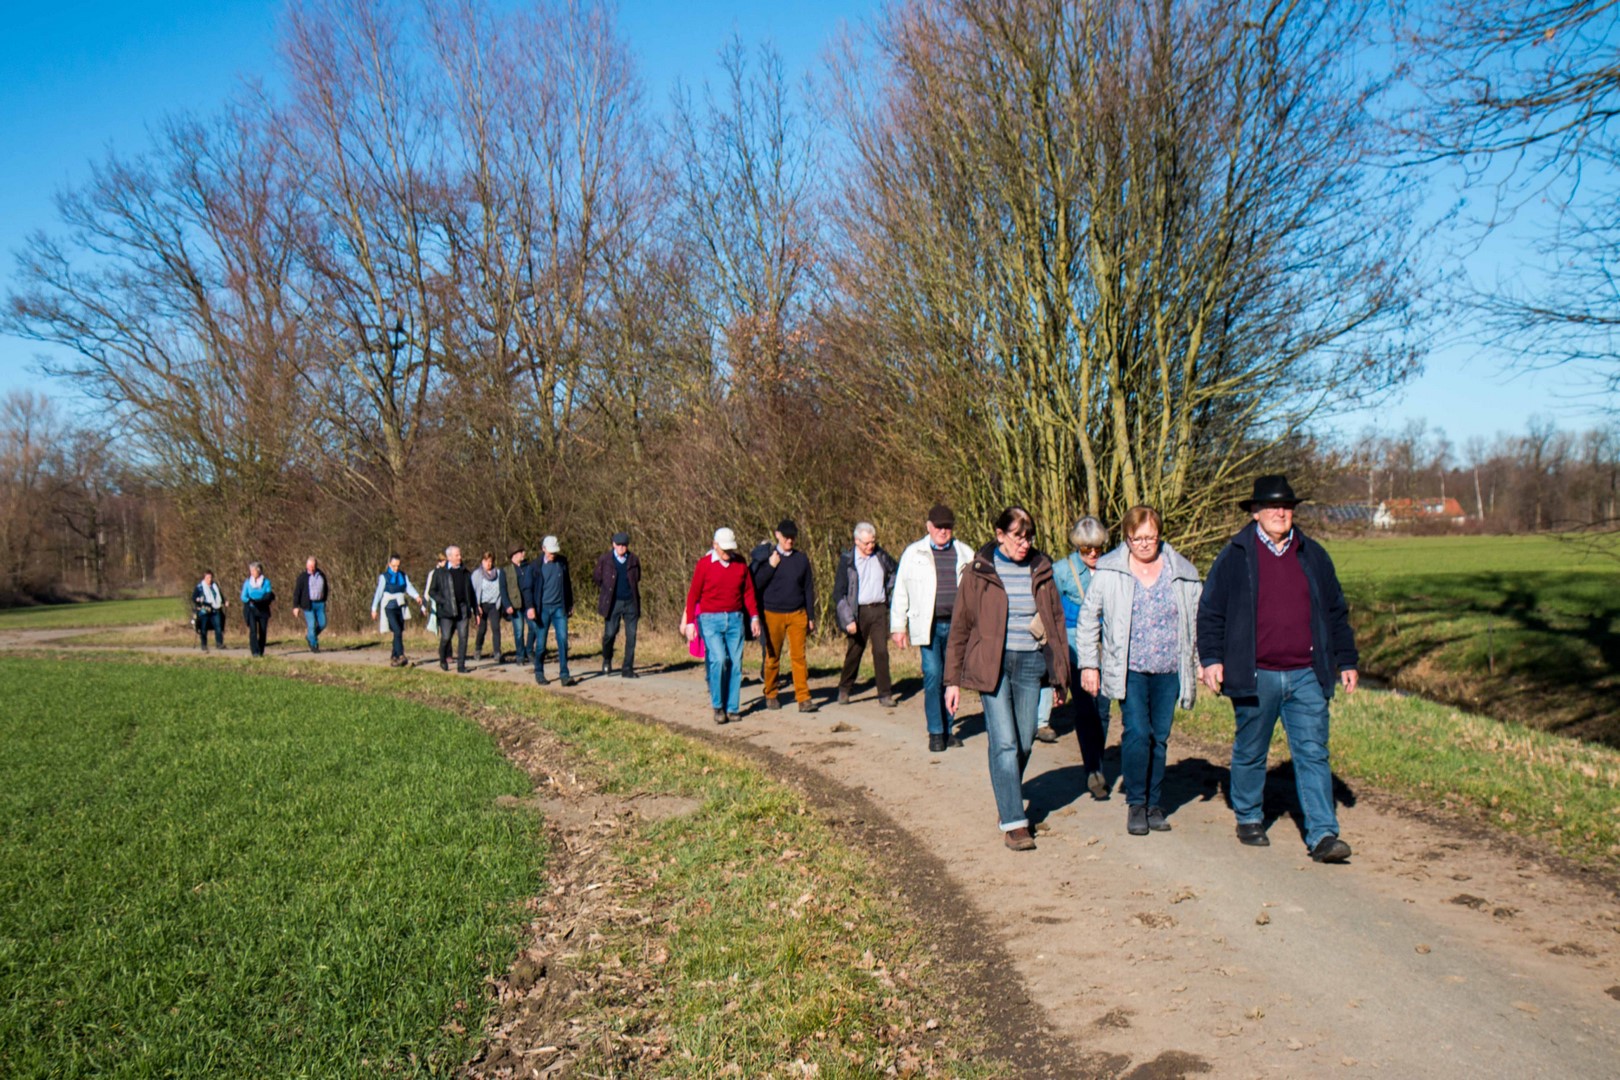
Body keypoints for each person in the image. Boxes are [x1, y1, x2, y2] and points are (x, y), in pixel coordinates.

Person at [1197, 474, 1360, 864]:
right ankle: (1250, 815)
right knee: (1252, 750)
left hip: (1307, 672)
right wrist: (1211, 659)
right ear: (1255, 513)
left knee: (1312, 752)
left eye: (1285, 507)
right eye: (1271, 506)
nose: (1279, 512)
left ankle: (1322, 834)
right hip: (1256, 673)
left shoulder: (1313, 554)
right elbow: (1211, 610)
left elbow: (1335, 611)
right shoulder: (1235, 555)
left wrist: (1347, 660)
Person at [944, 507, 1070, 851]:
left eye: (1029, 537)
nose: (1025, 544)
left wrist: (1060, 677)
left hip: (1031, 663)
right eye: (1018, 536)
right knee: (1004, 743)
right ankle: (1014, 822)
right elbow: (961, 625)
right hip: (992, 666)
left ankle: (1006, 784)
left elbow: (1056, 623)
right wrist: (951, 680)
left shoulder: (1041, 568)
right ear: (1000, 535)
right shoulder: (979, 571)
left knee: (1025, 740)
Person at [1078, 506, 1203, 837]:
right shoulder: (1110, 571)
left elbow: (1196, 623)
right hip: (1128, 667)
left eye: (1151, 537)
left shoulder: (1182, 572)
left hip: (1168, 669)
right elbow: (1089, 618)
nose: (1145, 544)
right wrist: (1090, 664)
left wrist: (1202, 663)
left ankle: (1154, 804)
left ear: (1159, 535)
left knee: (1159, 737)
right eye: (1137, 538)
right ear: (1127, 537)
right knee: (1137, 732)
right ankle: (1136, 803)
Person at [890, 504, 974, 752]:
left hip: (958, 627)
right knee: (933, 675)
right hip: (927, 626)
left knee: (952, 679)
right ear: (928, 527)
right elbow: (901, 591)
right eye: (938, 527)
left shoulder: (965, 553)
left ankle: (949, 730)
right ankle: (936, 732)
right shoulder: (913, 553)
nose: (943, 531)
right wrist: (898, 627)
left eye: (947, 527)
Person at [1046, 517, 1113, 796]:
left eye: (1097, 548)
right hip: (1075, 650)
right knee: (1086, 709)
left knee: (1104, 710)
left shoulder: (1112, 568)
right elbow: (1051, 613)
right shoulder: (1062, 571)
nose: (1093, 554)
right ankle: (1093, 770)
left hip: (1107, 650)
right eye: (1087, 550)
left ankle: (1097, 758)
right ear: (1077, 547)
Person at [684, 527, 760, 724]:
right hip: (709, 619)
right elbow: (693, 594)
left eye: (730, 550)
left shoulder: (740, 563)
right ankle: (718, 706)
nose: (727, 554)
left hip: (735, 618)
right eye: (724, 549)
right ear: (715, 545)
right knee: (718, 659)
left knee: (735, 664)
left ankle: (732, 708)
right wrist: (690, 622)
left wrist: (754, 617)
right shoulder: (704, 565)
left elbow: (748, 592)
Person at [751, 518, 818, 712]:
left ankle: (803, 698)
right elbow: (756, 584)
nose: (790, 540)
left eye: (793, 537)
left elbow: (808, 589)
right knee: (773, 657)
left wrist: (811, 617)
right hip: (772, 614)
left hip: (798, 614)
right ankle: (771, 693)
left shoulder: (801, 559)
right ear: (777, 535)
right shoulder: (767, 558)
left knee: (799, 657)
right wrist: (771, 566)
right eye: (786, 536)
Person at [832, 522, 898, 707]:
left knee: (881, 651)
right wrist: (848, 620)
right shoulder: (847, 561)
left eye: (873, 542)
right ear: (856, 541)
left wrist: (888, 593)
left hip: (878, 609)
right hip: (857, 612)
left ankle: (885, 693)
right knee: (855, 651)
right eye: (866, 543)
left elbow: (895, 572)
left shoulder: (881, 555)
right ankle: (844, 688)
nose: (870, 546)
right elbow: (839, 594)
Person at [527, 535, 577, 686]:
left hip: (559, 609)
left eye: (555, 552)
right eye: (550, 552)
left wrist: (569, 604)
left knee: (562, 640)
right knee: (541, 643)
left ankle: (564, 674)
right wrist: (530, 607)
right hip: (542, 609)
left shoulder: (562, 563)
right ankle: (539, 672)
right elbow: (527, 589)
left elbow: (567, 585)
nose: (553, 555)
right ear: (543, 549)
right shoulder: (535, 566)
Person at [594, 532, 641, 677]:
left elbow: (638, 577)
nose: (621, 548)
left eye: (624, 545)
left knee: (631, 636)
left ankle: (627, 668)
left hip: (631, 602)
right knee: (610, 633)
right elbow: (597, 578)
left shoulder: (633, 559)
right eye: (619, 545)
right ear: (613, 544)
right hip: (612, 603)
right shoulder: (605, 559)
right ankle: (607, 658)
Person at [428, 545, 477, 673]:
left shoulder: (466, 572)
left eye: (460, 555)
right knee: (446, 637)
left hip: (462, 609)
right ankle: (443, 658)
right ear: (449, 557)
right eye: (457, 555)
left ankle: (461, 665)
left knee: (463, 637)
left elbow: (471, 592)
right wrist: (443, 601)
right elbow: (432, 591)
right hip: (447, 611)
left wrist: (475, 609)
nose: (460, 557)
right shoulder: (440, 573)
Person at [370, 554, 424, 666]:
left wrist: (416, 596)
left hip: (400, 606)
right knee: (397, 630)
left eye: (398, 566)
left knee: (398, 631)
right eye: (394, 566)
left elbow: (408, 587)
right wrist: (374, 608)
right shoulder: (384, 577)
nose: (396, 568)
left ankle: (393, 657)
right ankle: (401, 655)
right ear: (389, 564)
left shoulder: (403, 576)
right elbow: (379, 593)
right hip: (389, 608)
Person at [472, 552, 511, 662]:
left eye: (490, 561)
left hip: (495, 604)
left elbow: (503, 587)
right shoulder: (477, 574)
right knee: (482, 629)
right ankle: (478, 649)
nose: (488, 564)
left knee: (496, 628)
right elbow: (473, 591)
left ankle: (497, 652)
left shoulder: (498, 573)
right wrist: (476, 606)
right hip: (482, 605)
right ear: (482, 562)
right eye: (486, 561)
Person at [291, 556, 331, 654]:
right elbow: (297, 592)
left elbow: (326, 588)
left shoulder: (321, 575)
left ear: (316, 566)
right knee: (312, 625)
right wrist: (295, 606)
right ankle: (314, 644)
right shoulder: (302, 577)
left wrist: (324, 599)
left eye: (313, 566)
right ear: (306, 566)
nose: (311, 568)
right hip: (308, 604)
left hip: (320, 603)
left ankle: (310, 636)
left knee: (323, 623)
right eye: (310, 566)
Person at [240, 561, 274, 657]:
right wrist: (249, 600)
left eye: (253, 571)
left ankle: (261, 649)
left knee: (263, 631)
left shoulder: (266, 582)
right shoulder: (247, 583)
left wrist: (262, 600)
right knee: (253, 630)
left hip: (263, 608)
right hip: (252, 608)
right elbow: (243, 596)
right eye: (251, 571)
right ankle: (254, 651)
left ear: (259, 571)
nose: (252, 573)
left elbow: (268, 594)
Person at [504, 547, 531, 664]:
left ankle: (529, 650)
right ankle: (520, 655)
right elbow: (503, 589)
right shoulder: (506, 570)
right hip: (515, 605)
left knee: (534, 628)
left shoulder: (528, 567)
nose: (523, 554)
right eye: (521, 552)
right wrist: (507, 605)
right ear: (514, 555)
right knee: (519, 631)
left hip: (528, 604)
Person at [192, 570, 225, 651]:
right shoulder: (199, 587)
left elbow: (220, 595)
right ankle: (204, 644)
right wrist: (198, 600)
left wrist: (224, 601)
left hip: (215, 609)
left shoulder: (215, 586)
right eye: (207, 578)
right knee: (203, 628)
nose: (209, 579)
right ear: (204, 578)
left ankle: (219, 643)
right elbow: (193, 597)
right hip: (204, 610)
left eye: (210, 577)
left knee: (218, 626)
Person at [423, 554, 447, 636]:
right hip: (436, 601)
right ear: (439, 562)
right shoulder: (432, 573)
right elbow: (428, 590)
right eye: (443, 561)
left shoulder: (448, 572)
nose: (445, 563)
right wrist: (424, 605)